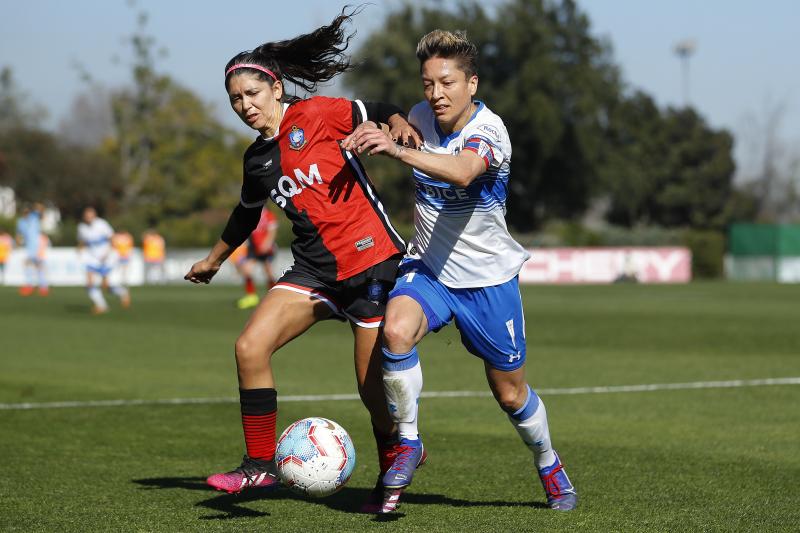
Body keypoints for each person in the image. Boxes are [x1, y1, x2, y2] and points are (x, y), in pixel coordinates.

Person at [183, 7, 423, 508]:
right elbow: (245, 216)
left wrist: (397, 119)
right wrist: (214, 259)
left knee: (372, 392)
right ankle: (257, 467)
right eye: (235, 100)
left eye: (252, 94)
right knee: (250, 347)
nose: (245, 105)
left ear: (275, 88)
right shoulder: (256, 159)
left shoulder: (314, 115)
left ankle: (391, 475)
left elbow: (374, 105)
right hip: (313, 272)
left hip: (372, 263)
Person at [343, 29, 578, 513]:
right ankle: (407, 442)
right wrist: (392, 123)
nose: (436, 94)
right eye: (428, 83)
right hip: (428, 269)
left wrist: (399, 150)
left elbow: (465, 171)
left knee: (510, 394)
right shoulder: (422, 114)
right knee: (395, 330)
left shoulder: (489, 131)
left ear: (472, 83)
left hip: (488, 281)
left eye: (446, 82)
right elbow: (398, 112)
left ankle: (549, 463)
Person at [77, 207, 131, 314]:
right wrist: (79, 250)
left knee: (106, 286)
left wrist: (108, 253)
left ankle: (123, 292)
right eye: (87, 216)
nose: (89, 218)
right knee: (89, 283)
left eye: (91, 215)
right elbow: (82, 241)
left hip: (107, 258)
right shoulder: (81, 227)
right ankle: (101, 306)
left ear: (95, 215)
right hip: (93, 258)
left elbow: (112, 238)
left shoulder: (101, 224)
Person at [235, 206, 279, 310]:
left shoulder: (268, 214)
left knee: (268, 272)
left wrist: (267, 243)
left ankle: (274, 296)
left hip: (267, 248)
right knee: (246, 270)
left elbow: (272, 230)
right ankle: (251, 297)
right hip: (253, 248)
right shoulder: (251, 214)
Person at [15, 203, 49, 296]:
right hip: (29, 246)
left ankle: (43, 287)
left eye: (27, 211)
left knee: (39, 265)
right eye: (24, 212)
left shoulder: (34, 217)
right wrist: (17, 243)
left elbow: (42, 212)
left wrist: (38, 206)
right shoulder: (20, 222)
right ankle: (30, 285)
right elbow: (18, 233)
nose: (26, 213)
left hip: (38, 244)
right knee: (29, 264)